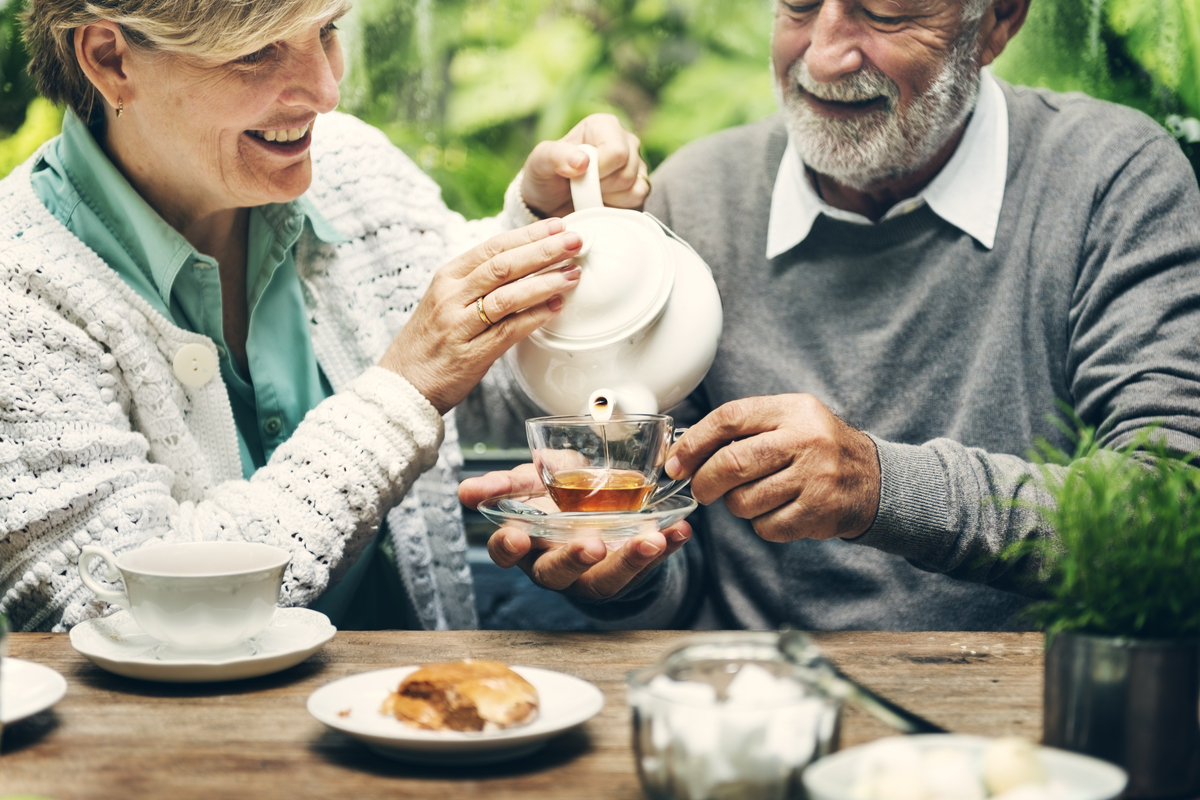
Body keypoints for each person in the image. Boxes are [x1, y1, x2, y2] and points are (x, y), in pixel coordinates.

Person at [460, 0, 1200, 630]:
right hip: (754, 714)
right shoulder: (697, 197)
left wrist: (882, 487)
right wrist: (625, 573)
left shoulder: (1113, 178)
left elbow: (1176, 515)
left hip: (1021, 723)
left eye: (883, 12)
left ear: (998, 20)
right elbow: (674, 570)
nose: (823, 55)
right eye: (799, 4)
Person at [0, 0, 649, 633]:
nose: (325, 90)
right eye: (258, 51)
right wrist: (402, 393)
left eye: (328, 31)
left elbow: (484, 387)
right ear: (111, 59)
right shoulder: (19, 289)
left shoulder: (350, 166)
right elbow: (115, 610)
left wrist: (549, 231)